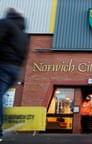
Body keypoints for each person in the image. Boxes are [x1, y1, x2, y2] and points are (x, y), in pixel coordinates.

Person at [0, 8, 29, 141]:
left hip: (3, 65)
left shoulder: (6, 23)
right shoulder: (24, 35)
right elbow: (24, 56)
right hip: (15, 70)